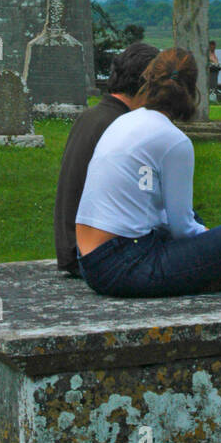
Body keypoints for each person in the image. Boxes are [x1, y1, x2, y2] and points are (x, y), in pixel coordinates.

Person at [75, 47, 221, 297]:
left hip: (89, 260)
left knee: (196, 217)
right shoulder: (174, 141)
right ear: (192, 90)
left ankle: (202, 273)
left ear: (149, 81)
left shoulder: (124, 122)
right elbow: (182, 229)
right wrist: (212, 241)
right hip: (125, 264)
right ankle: (208, 278)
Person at [54, 42, 159, 275]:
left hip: (72, 246)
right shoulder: (122, 127)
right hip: (93, 253)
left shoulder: (91, 116)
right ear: (146, 84)